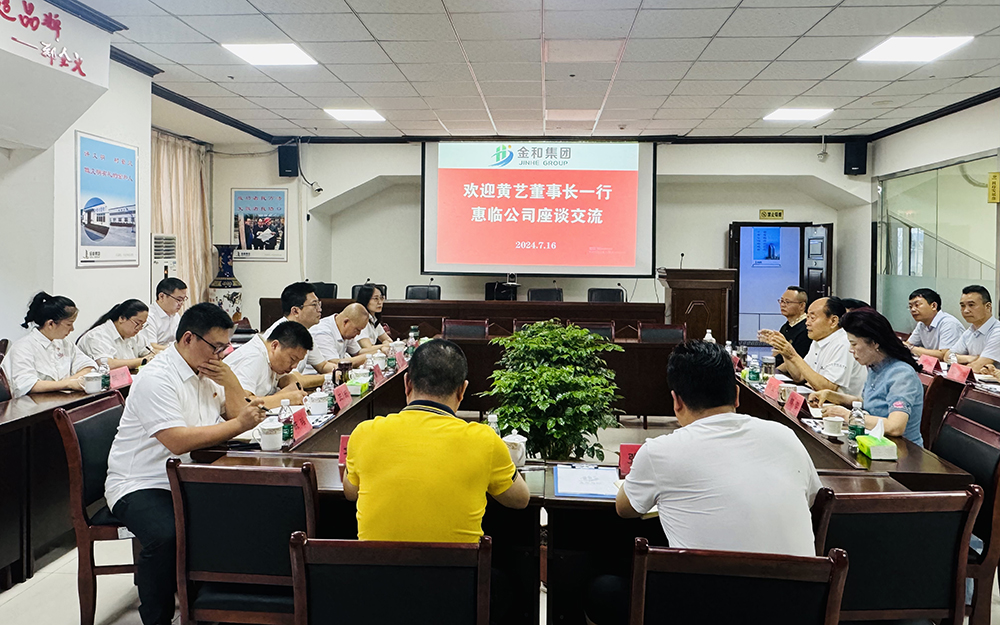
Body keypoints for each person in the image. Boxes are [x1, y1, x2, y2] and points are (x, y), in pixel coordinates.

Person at [587, 341, 822, 625]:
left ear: (676, 401)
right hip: (797, 609)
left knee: (605, 590)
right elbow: (812, 499)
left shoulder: (660, 451)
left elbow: (625, 509)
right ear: (737, 395)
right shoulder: (785, 437)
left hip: (706, 611)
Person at [105, 303, 268, 625]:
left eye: (225, 348)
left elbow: (236, 415)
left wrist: (231, 382)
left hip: (189, 476)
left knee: (245, 513)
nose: (220, 355)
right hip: (142, 482)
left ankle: (215, 608)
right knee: (166, 534)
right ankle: (157, 617)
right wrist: (238, 425)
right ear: (189, 338)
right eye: (216, 347)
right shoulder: (157, 378)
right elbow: (177, 441)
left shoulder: (206, 369)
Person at [343, 339, 530, 542]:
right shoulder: (485, 440)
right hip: (456, 564)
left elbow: (351, 492)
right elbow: (520, 499)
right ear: (462, 390)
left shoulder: (364, 433)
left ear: (407, 383)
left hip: (375, 563)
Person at [808, 308, 924, 445]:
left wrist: (847, 415)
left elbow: (895, 427)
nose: (851, 350)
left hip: (902, 450)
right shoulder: (875, 367)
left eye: (854, 344)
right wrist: (831, 395)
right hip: (874, 443)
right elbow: (868, 403)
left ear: (874, 343)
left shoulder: (901, 374)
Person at [760, 296, 867, 398]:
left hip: (841, 407)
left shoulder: (843, 343)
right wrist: (784, 350)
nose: (807, 323)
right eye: (807, 318)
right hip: (819, 401)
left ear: (833, 321)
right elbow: (799, 376)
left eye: (812, 318)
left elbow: (828, 389)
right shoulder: (819, 339)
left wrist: (793, 355)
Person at [1, 292, 97, 398]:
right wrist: (67, 384)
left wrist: (70, 381)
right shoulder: (23, 348)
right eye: (69, 324)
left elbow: (89, 367)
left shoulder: (65, 344)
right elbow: (27, 385)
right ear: (50, 324)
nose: (72, 329)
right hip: (32, 405)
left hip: (61, 400)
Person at [223, 321, 311, 409]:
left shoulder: (272, 357)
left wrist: (292, 385)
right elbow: (243, 403)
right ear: (275, 345)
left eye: (298, 361)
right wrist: (285, 398)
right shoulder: (254, 357)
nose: (294, 366)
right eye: (292, 359)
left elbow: (287, 379)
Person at [261, 282, 337, 383]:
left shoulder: (302, 332)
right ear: (295, 311)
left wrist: (343, 371)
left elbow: (323, 366)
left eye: (319, 304)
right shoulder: (283, 334)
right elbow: (294, 380)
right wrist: (330, 377)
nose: (319, 309)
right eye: (314, 305)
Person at [77, 299, 154, 371]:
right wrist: (142, 361)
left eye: (142, 325)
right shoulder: (97, 336)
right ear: (122, 318)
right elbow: (108, 365)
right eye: (137, 323)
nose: (139, 328)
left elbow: (150, 353)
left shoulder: (134, 335)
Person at [944, 285, 1000, 372]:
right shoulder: (971, 330)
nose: (966, 310)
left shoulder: (997, 332)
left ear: (988, 307)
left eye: (971, 305)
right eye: (962, 306)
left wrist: (958, 360)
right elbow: (947, 356)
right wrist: (970, 358)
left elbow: (977, 367)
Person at [904, 287, 964, 360]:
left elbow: (944, 355)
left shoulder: (949, 323)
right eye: (910, 306)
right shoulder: (921, 324)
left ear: (934, 306)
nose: (913, 310)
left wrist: (911, 348)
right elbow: (908, 344)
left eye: (917, 305)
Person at [309, 302, 370, 369]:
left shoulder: (346, 332)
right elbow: (335, 364)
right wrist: (368, 356)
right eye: (357, 330)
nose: (359, 333)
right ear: (345, 322)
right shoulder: (322, 332)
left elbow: (358, 352)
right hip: (316, 374)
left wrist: (378, 350)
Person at [141, 278, 187, 353]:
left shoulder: (175, 315)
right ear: (161, 296)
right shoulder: (149, 316)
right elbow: (151, 346)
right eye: (178, 299)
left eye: (183, 299)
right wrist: (178, 350)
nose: (181, 304)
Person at [771, 286, 810, 368]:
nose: (782, 305)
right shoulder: (785, 327)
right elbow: (777, 353)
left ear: (802, 305)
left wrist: (777, 370)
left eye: (787, 302)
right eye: (781, 301)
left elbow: (798, 360)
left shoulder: (807, 328)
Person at [354, 283, 392, 354]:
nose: (380, 302)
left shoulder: (373, 319)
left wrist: (386, 344)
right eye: (375, 299)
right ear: (365, 300)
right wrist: (384, 345)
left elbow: (389, 341)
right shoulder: (360, 320)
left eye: (381, 298)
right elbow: (368, 348)